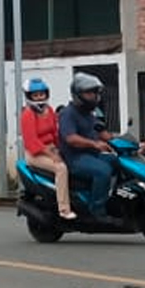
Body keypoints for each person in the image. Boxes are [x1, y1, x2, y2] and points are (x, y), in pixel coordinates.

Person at [57, 73, 119, 219]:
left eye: (95, 92)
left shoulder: (89, 113)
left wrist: (120, 141)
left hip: (90, 155)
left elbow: (101, 132)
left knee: (117, 162)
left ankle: (112, 199)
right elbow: (71, 138)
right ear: (78, 94)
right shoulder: (68, 113)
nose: (93, 96)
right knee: (103, 171)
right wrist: (95, 144)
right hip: (74, 158)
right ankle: (96, 209)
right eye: (89, 93)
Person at [19, 78, 76, 219]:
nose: (39, 97)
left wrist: (64, 148)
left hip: (51, 149)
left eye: (41, 94)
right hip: (36, 154)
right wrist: (52, 155)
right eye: (35, 95)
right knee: (61, 168)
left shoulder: (49, 110)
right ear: (29, 96)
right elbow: (32, 141)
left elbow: (55, 133)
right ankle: (64, 209)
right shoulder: (27, 115)